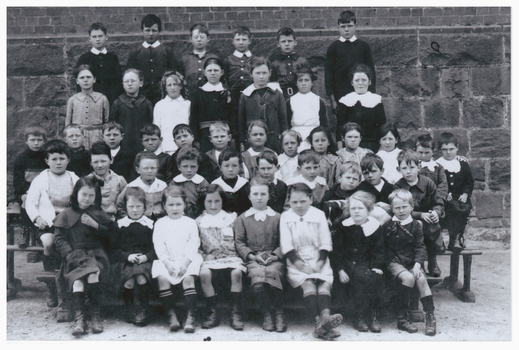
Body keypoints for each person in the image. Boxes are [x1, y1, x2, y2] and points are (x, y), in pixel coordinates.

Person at [280, 183, 342, 340]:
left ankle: (325, 318)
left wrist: (319, 263)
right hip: (297, 260)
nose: (299, 206)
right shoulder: (286, 217)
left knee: (324, 283)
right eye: (294, 202)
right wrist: (301, 265)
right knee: (307, 283)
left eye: (303, 201)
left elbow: (325, 241)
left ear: (311, 199)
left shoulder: (319, 215)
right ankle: (319, 323)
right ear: (289, 202)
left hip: (318, 257)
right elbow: (286, 244)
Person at [53, 178, 114, 336]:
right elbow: (59, 239)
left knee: (94, 274)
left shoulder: (99, 213)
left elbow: (112, 236)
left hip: (96, 256)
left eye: (91, 195)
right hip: (75, 257)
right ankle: (79, 319)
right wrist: (69, 254)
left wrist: (96, 226)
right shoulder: (66, 214)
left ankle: (95, 316)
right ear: (76, 194)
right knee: (78, 281)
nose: (87, 198)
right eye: (84, 194)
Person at [25, 140, 79, 307]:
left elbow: (81, 200)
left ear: (68, 160)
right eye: (54, 159)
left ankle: (71, 286)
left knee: (73, 246)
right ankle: (51, 287)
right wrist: (37, 218)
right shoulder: (41, 179)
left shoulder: (74, 178)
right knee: (49, 243)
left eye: (62, 159)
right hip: (47, 222)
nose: (58, 162)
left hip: (69, 223)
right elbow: (31, 203)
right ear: (47, 161)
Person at [234, 178, 287, 332]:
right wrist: (252, 256)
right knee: (258, 275)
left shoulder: (278, 217)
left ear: (269, 196)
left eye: (263, 194)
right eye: (255, 194)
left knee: (272, 273)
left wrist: (276, 256)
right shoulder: (242, 219)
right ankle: (266, 314)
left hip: (274, 258)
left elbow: (285, 240)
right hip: (253, 259)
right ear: (249, 196)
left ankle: (279, 312)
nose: (259, 197)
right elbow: (239, 243)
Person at [382, 189, 437, 336]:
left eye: (404, 207)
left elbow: (420, 246)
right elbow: (383, 247)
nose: (401, 211)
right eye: (397, 208)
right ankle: (402, 318)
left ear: (411, 207)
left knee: (421, 279)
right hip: (394, 262)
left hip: (411, 262)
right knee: (408, 277)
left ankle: (430, 317)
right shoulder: (387, 225)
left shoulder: (416, 225)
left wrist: (418, 264)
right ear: (391, 209)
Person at [330, 191, 385, 333]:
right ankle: (358, 316)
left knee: (374, 278)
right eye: (353, 209)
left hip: (367, 263)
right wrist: (340, 270)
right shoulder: (344, 226)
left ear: (368, 210)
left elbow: (378, 250)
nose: (356, 212)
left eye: (360, 208)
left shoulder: (374, 227)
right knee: (359, 279)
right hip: (347, 264)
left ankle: (372, 316)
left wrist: (376, 266)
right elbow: (337, 251)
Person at [152, 186, 203, 333]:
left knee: (188, 279)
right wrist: (167, 264)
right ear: (164, 206)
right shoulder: (160, 223)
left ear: (185, 205)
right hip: (167, 260)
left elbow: (193, 244)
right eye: (171, 205)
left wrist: (185, 263)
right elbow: (159, 246)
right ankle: (171, 315)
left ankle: (190, 316)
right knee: (162, 279)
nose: (175, 208)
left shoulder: (190, 222)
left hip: (187, 259)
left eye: (178, 204)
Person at [196, 184, 246, 330]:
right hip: (211, 258)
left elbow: (239, 240)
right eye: (209, 201)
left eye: (217, 201)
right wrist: (204, 255)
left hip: (232, 256)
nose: (213, 205)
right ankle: (213, 312)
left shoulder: (231, 218)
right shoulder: (199, 221)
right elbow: (195, 245)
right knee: (204, 274)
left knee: (236, 273)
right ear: (203, 202)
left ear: (222, 201)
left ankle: (235, 312)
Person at [394, 149, 445, 278]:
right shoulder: (398, 187)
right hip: (407, 221)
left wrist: (436, 212)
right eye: (404, 168)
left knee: (432, 224)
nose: (408, 171)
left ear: (419, 167)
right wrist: (420, 215)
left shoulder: (428, 183)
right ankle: (418, 262)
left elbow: (438, 202)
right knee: (417, 226)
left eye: (412, 167)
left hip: (428, 221)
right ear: (398, 169)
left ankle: (432, 260)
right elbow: (397, 209)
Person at [112, 187, 155, 326]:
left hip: (144, 260)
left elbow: (156, 247)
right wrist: (127, 257)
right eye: (131, 206)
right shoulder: (120, 225)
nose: (135, 210)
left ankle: (144, 309)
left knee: (142, 278)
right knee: (129, 281)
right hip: (125, 261)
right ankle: (129, 309)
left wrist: (147, 257)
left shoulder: (150, 224)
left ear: (144, 207)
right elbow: (113, 249)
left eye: (138, 206)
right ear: (125, 207)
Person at [325, 10, 376, 113]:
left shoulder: (363, 47)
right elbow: (329, 75)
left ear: (356, 26)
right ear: (338, 27)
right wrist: (332, 100)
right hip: (340, 95)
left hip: (362, 93)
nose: (346, 30)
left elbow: (371, 73)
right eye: (343, 26)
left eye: (350, 26)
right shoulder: (333, 48)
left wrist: (371, 95)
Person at [238, 56, 288, 153]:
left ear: (270, 73)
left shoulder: (277, 93)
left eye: (264, 73)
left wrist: (283, 136)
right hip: (252, 141)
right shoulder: (245, 95)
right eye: (257, 73)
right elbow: (241, 120)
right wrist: (242, 140)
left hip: (273, 139)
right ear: (251, 74)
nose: (261, 76)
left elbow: (283, 118)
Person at [126, 14, 178, 106]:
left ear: (159, 31)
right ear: (142, 31)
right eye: (147, 30)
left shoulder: (167, 51)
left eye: (154, 30)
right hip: (141, 96)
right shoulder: (136, 52)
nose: (150, 34)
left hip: (162, 96)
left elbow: (173, 72)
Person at [436, 132, 474, 252]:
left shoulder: (462, 164)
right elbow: (436, 183)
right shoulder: (437, 165)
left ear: (457, 148)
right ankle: (453, 240)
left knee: (463, 208)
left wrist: (465, 194)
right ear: (440, 150)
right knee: (452, 208)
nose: (448, 152)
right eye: (445, 149)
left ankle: (458, 237)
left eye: (451, 149)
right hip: (445, 198)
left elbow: (469, 182)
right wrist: (444, 194)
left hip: (460, 196)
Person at [13, 124, 48, 249]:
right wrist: (30, 192)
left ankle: (41, 233)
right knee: (27, 199)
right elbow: (18, 182)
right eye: (32, 140)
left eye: (39, 140)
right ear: (26, 141)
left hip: (44, 191)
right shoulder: (20, 158)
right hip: (25, 191)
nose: (36, 143)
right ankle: (25, 230)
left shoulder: (47, 157)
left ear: (44, 141)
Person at [336, 64, 386, 152]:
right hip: (350, 146)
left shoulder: (376, 100)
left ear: (369, 82)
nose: (360, 83)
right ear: (352, 82)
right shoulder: (345, 101)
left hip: (372, 144)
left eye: (364, 80)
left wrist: (381, 147)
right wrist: (340, 148)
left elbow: (382, 125)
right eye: (357, 80)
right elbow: (340, 127)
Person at [189, 58, 234, 152]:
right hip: (205, 136)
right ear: (205, 72)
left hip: (224, 135)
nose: (213, 73)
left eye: (216, 70)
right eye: (210, 70)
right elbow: (194, 118)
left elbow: (234, 117)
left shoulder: (228, 92)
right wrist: (196, 140)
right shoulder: (198, 93)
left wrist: (233, 137)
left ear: (222, 72)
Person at [110, 68, 153, 157]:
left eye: (133, 81)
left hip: (141, 146)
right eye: (126, 81)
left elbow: (150, 123)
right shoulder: (117, 103)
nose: (129, 84)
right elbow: (113, 124)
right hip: (123, 147)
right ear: (123, 84)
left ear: (141, 83)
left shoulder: (146, 103)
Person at [76, 22, 122, 104]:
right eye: (94, 36)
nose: (97, 39)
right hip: (91, 102)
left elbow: (118, 82)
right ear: (89, 39)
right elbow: (80, 83)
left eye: (100, 36)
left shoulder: (113, 58)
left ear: (106, 37)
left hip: (111, 101)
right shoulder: (84, 58)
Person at [66, 64, 109, 149]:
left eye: (88, 77)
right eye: (82, 78)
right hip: (78, 137)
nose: (85, 80)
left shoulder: (102, 98)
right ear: (77, 81)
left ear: (94, 79)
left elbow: (107, 122)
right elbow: (68, 124)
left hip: (97, 136)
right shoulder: (73, 100)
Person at [116, 152, 167, 220]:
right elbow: (120, 206)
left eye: (153, 168)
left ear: (157, 168)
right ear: (138, 169)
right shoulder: (131, 187)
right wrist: (129, 219)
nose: (150, 171)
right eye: (146, 168)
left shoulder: (162, 186)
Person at [286, 67, 327, 152]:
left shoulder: (318, 100)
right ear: (296, 83)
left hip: (315, 136)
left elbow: (324, 123)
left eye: (306, 80)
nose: (303, 83)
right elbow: (286, 123)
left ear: (312, 83)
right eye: (300, 80)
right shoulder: (290, 101)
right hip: (296, 136)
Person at [84, 142, 127, 220]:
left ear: (111, 160)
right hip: (92, 221)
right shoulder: (86, 181)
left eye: (103, 161)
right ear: (90, 163)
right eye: (96, 162)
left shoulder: (119, 181)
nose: (100, 165)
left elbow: (125, 204)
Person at [224, 26, 254, 134]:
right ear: (233, 41)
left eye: (244, 39)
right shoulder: (228, 60)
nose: (241, 42)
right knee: (234, 124)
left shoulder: (255, 59)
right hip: (233, 98)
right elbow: (225, 78)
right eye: (238, 39)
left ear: (250, 41)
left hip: (250, 96)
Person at [153, 71, 190, 155]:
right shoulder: (159, 105)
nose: (173, 88)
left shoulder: (188, 104)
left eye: (175, 84)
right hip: (165, 147)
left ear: (181, 86)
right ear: (165, 88)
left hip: (184, 147)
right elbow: (157, 127)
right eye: (169, 85)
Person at [269, 27, 310, 100]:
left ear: (295, 42)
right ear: (278, 44)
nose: (287, 44)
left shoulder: (302, 62)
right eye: (283, 41)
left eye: (290, 41)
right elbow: (272, 83)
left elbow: (308, 82)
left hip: (299, 96)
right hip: (281, 97)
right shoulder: (275, 63)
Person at [180, 23, 220, 95]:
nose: (199, 40)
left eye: (202, 37)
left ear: (208, 39)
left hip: (209, 95)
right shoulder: (185, 59)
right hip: (190, 95)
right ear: (190, 39)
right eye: (196, 37)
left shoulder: (214, 58)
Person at [171, 147, 210, 219]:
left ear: (198, 167)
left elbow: (206, 202)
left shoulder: (202, 182)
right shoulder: (175, 182)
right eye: (185, 166)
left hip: (199, 216)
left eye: (193, 166)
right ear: (179, 167)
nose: (189, 170)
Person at [211, 148, 251, 216]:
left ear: (240, 167)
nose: (230, 169)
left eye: (234, 166)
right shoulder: (215, 185)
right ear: (220, 167)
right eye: (226, 166)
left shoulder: (245, 184)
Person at [415, 134, 448, 202]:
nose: (423, 156)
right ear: (415, 151)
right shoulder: (413, 166)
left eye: (427, 153)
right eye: (420, 152)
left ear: (433, 151)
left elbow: (443, 185)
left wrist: (438, 200)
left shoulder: (438, 168)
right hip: (417, 201)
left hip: (435, 200)